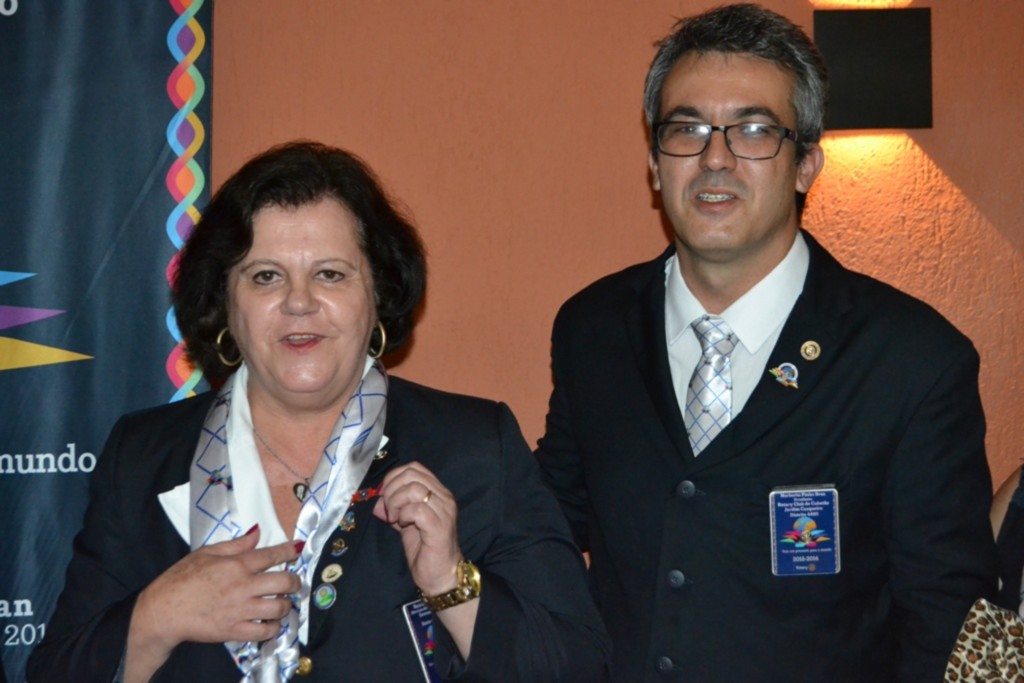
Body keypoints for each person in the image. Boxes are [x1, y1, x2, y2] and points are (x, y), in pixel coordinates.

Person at [28, 141, 610, 682]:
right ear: (224, 303)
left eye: (330, 274)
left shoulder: (475, 448)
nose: (299, 302)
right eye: (266, 277)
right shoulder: (143, 456)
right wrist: (156, 615)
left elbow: (578, 667)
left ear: (377, 294)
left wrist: (452, 583)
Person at [535, 4, 997, 681]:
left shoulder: (913, 362)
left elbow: (946, 625)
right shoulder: (591, 329)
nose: (714, 159)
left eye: (753, 130)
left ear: (806, 163)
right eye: (687, 129)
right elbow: (545, 527)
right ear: (656, 164)